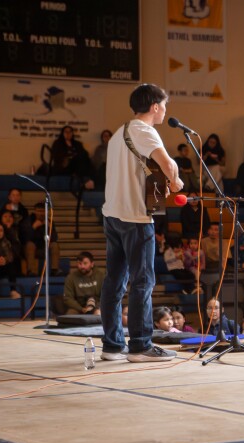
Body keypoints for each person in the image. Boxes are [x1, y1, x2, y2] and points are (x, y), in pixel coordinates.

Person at [100, 83, 184, 363]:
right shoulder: (145, 130)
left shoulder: (117, 134)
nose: (165, 111)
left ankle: (112, 345)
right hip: (135, 217)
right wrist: (176, 182)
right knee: (142, 282)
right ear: (154, 107)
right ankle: (140, 345)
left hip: (112, 215)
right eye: (164, 105)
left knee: (114, 282)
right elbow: (168, 164)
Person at [21, 202, 62, 277]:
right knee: (30, 245)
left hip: (44, 248)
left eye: (43, 211)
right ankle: (31, 271)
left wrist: (50, 228)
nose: (41, 213)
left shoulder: (49, 221)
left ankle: (54, 270)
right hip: (31, 249)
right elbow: (25, 239)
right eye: (39, 211)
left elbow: (54, 238)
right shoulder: (28, 221)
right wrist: (33, 228)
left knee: (55, 245)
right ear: (35, 211)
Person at [51, 125, 96, 190]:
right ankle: (86, 182)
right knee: (79, 159)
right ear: (62, 133)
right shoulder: (58, 143)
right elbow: (56, 156)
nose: (68, 134)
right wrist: (71, 156)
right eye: (66, 132)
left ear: (72, 133)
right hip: (65, 166)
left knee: (86, 159)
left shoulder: (77, 143)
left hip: (77, 165)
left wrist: (76, 156)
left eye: (70, 132)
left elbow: (85, 154)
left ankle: (90, 180)